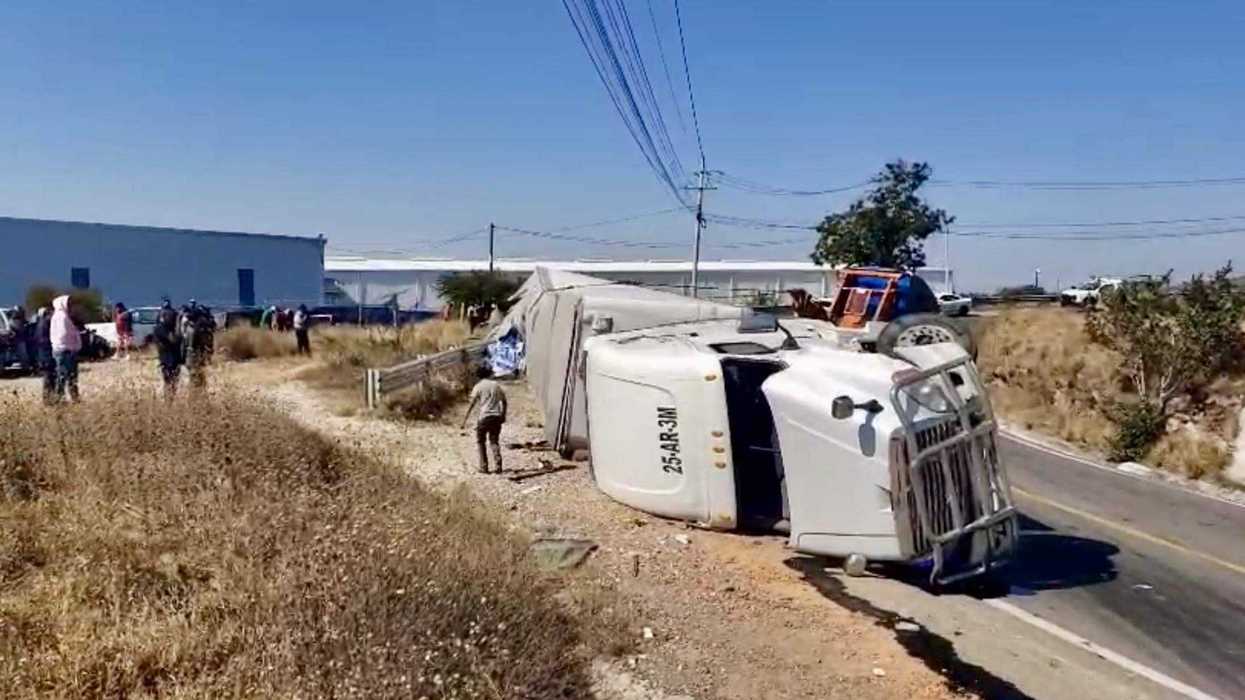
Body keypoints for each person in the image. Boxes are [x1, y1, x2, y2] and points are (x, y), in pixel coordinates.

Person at [461, 365, 508, 474]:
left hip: (484, 417)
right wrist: (503, 415)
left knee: (481, 441)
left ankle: (484, 467)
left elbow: (471, 404)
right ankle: (498, 465)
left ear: (478, 376)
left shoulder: (478, 386)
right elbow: (504, 402)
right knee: (494, 441)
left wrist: (464, 420)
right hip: (496, 417)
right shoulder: (496, 385)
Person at [49, 295, 81, 403]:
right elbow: (64, 334)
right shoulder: (62, 316)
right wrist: (75, 337)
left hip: (62, 349)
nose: (70, 305)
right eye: (68, 303)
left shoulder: (59, 316)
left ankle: (66, 398)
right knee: (66, 376)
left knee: (65, 376)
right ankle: (64, 399)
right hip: (65, 350)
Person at [183, 303, 215, 391]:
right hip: (196, 353)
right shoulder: (197, 329)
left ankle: (195, 390)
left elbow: (185, 343)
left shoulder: (189, 329)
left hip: (191, 354)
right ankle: (198, 391)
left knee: (194, 374)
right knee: (198, 374)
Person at [153, 300, 183, 398]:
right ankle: (169, 399)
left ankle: (170, 398)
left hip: (172, 358)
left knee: (173, 381)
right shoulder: (161, 329)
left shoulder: (161, 328)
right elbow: (173, 340)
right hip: (168, 359)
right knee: (169, 381)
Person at [32, 306, 54, 403]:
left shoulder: (39, 324)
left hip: (42, 354)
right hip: (46, 354)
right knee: (48, 378)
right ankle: (48, 400)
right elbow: (44, 340)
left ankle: (48, 399)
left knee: (48, 377)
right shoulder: (44, 324)